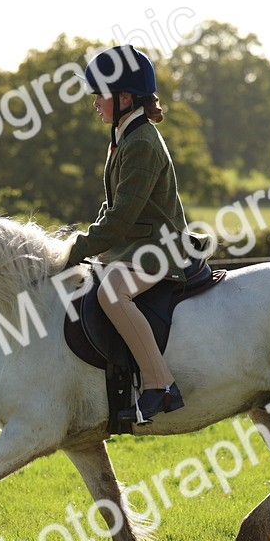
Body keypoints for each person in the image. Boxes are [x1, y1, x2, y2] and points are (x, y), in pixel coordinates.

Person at [64, 45, 192, 425]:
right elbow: (112, 208)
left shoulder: (141, 143)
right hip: (135, 245)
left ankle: (160, 384)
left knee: (111, 293)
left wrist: (74, 250)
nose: (95, 103)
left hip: (160, 248)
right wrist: (84, 245)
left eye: (100, 95)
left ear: (124, 98)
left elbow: (120, 218)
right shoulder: (124, 136)